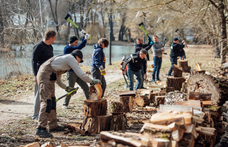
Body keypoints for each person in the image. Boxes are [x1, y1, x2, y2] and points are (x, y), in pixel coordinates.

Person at [35, 50, 101, 138]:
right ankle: (40, 128)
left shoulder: (63, 61)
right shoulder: (70, 58)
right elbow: (80, 74)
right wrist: (92, 81)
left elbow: (58, 79)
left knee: (52, 101)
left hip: (49, 76)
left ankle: (53, 126)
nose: (78, 63)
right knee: (46, 102)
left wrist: (67, 88)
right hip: (44, 76)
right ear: (77, 57)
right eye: (79, 61)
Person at [31, 30, 56, 123]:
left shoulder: (50, 47)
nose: (54, 40)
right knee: (39, 95)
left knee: (49, 96)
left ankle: (47, 115)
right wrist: (35, 75)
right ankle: (35, 116)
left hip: (49, 75)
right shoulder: (39, 46)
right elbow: (34, 61)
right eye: (54, 38)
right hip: (40, 75)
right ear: (51, 37)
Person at [62, 35, 90, 109]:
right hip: (71, 73)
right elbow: (79, 47)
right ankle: (65, 104)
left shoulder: (72, 47)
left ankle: (89, 101)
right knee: (70, 89)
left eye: (77, 42)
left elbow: (79, 46)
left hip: (77, 71)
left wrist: (83, 38)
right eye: (75, 42)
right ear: (71, 42)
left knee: (85, 86)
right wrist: (85, 39)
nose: (77, 44)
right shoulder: (67, 49)